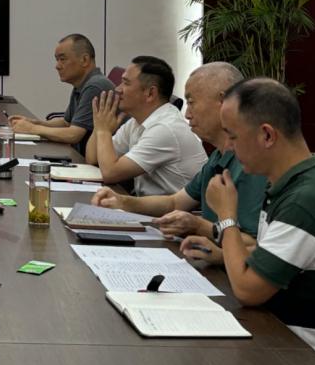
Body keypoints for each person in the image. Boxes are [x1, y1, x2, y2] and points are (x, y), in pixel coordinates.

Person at [180, 78, 315, 365]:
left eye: (233, 136)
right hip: (288, 348)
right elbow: (267, 260)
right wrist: (223, 254)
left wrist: (227, 217)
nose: (229, 147)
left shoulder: (305, 200)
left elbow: (248, 291)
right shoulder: (289, 183)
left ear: (267, 135)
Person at [93, 62, 266, 248]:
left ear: (223, 102)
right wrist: (123, 201)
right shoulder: (218, 156)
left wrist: (199, 226)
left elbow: (254, 244)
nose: (187, 114)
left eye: (191, 103)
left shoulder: (251, 164)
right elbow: (174, 202)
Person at [86, 55, 207, 196]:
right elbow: (92, 159)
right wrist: (99, 126)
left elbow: (110, 173)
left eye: (126, 83)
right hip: (149, 204)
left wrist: (103, 131)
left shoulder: (165, 129)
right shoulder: (136, 121)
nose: (118, 89)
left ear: (150, 93)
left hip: (176, 208)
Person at [7, 34, 115, 154]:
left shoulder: (95, 86)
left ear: (84, 60)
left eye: (62, 59)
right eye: (57, 60)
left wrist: (32, 129)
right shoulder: (82, 84)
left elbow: (74, 135)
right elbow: (66, 123)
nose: (57, 66)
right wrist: (35, 123)